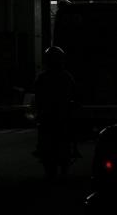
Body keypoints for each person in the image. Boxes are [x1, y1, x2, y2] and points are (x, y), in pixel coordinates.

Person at [33, 46, 78, 180]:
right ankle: (66, 153)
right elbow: (74, 94)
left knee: (50, 135)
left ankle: (50, 153)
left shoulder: (43, 77)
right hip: (58, 115)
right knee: (65, 135)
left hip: (51, 115)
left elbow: (37, 96)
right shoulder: (66, 76)